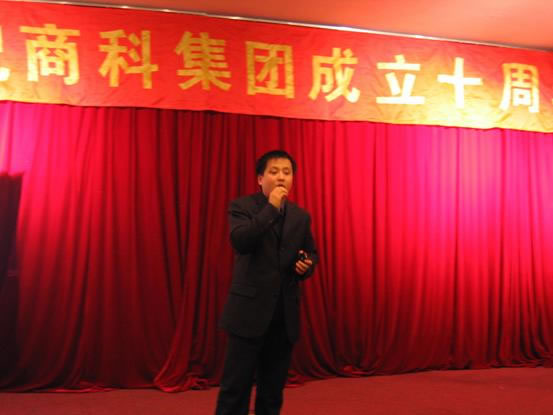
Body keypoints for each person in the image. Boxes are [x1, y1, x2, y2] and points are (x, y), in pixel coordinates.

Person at [215, 150, 318, 415]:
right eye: (274, 172)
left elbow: (311, 253)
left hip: (283, 316)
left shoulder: (300, 216)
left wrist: (306, 265)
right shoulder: (242, 207)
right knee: (234, 390)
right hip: (247, 314)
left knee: (272, 393)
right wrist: (271, 208)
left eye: (287, 172)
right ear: (260, 179)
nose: (281, 177)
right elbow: (241, 242)